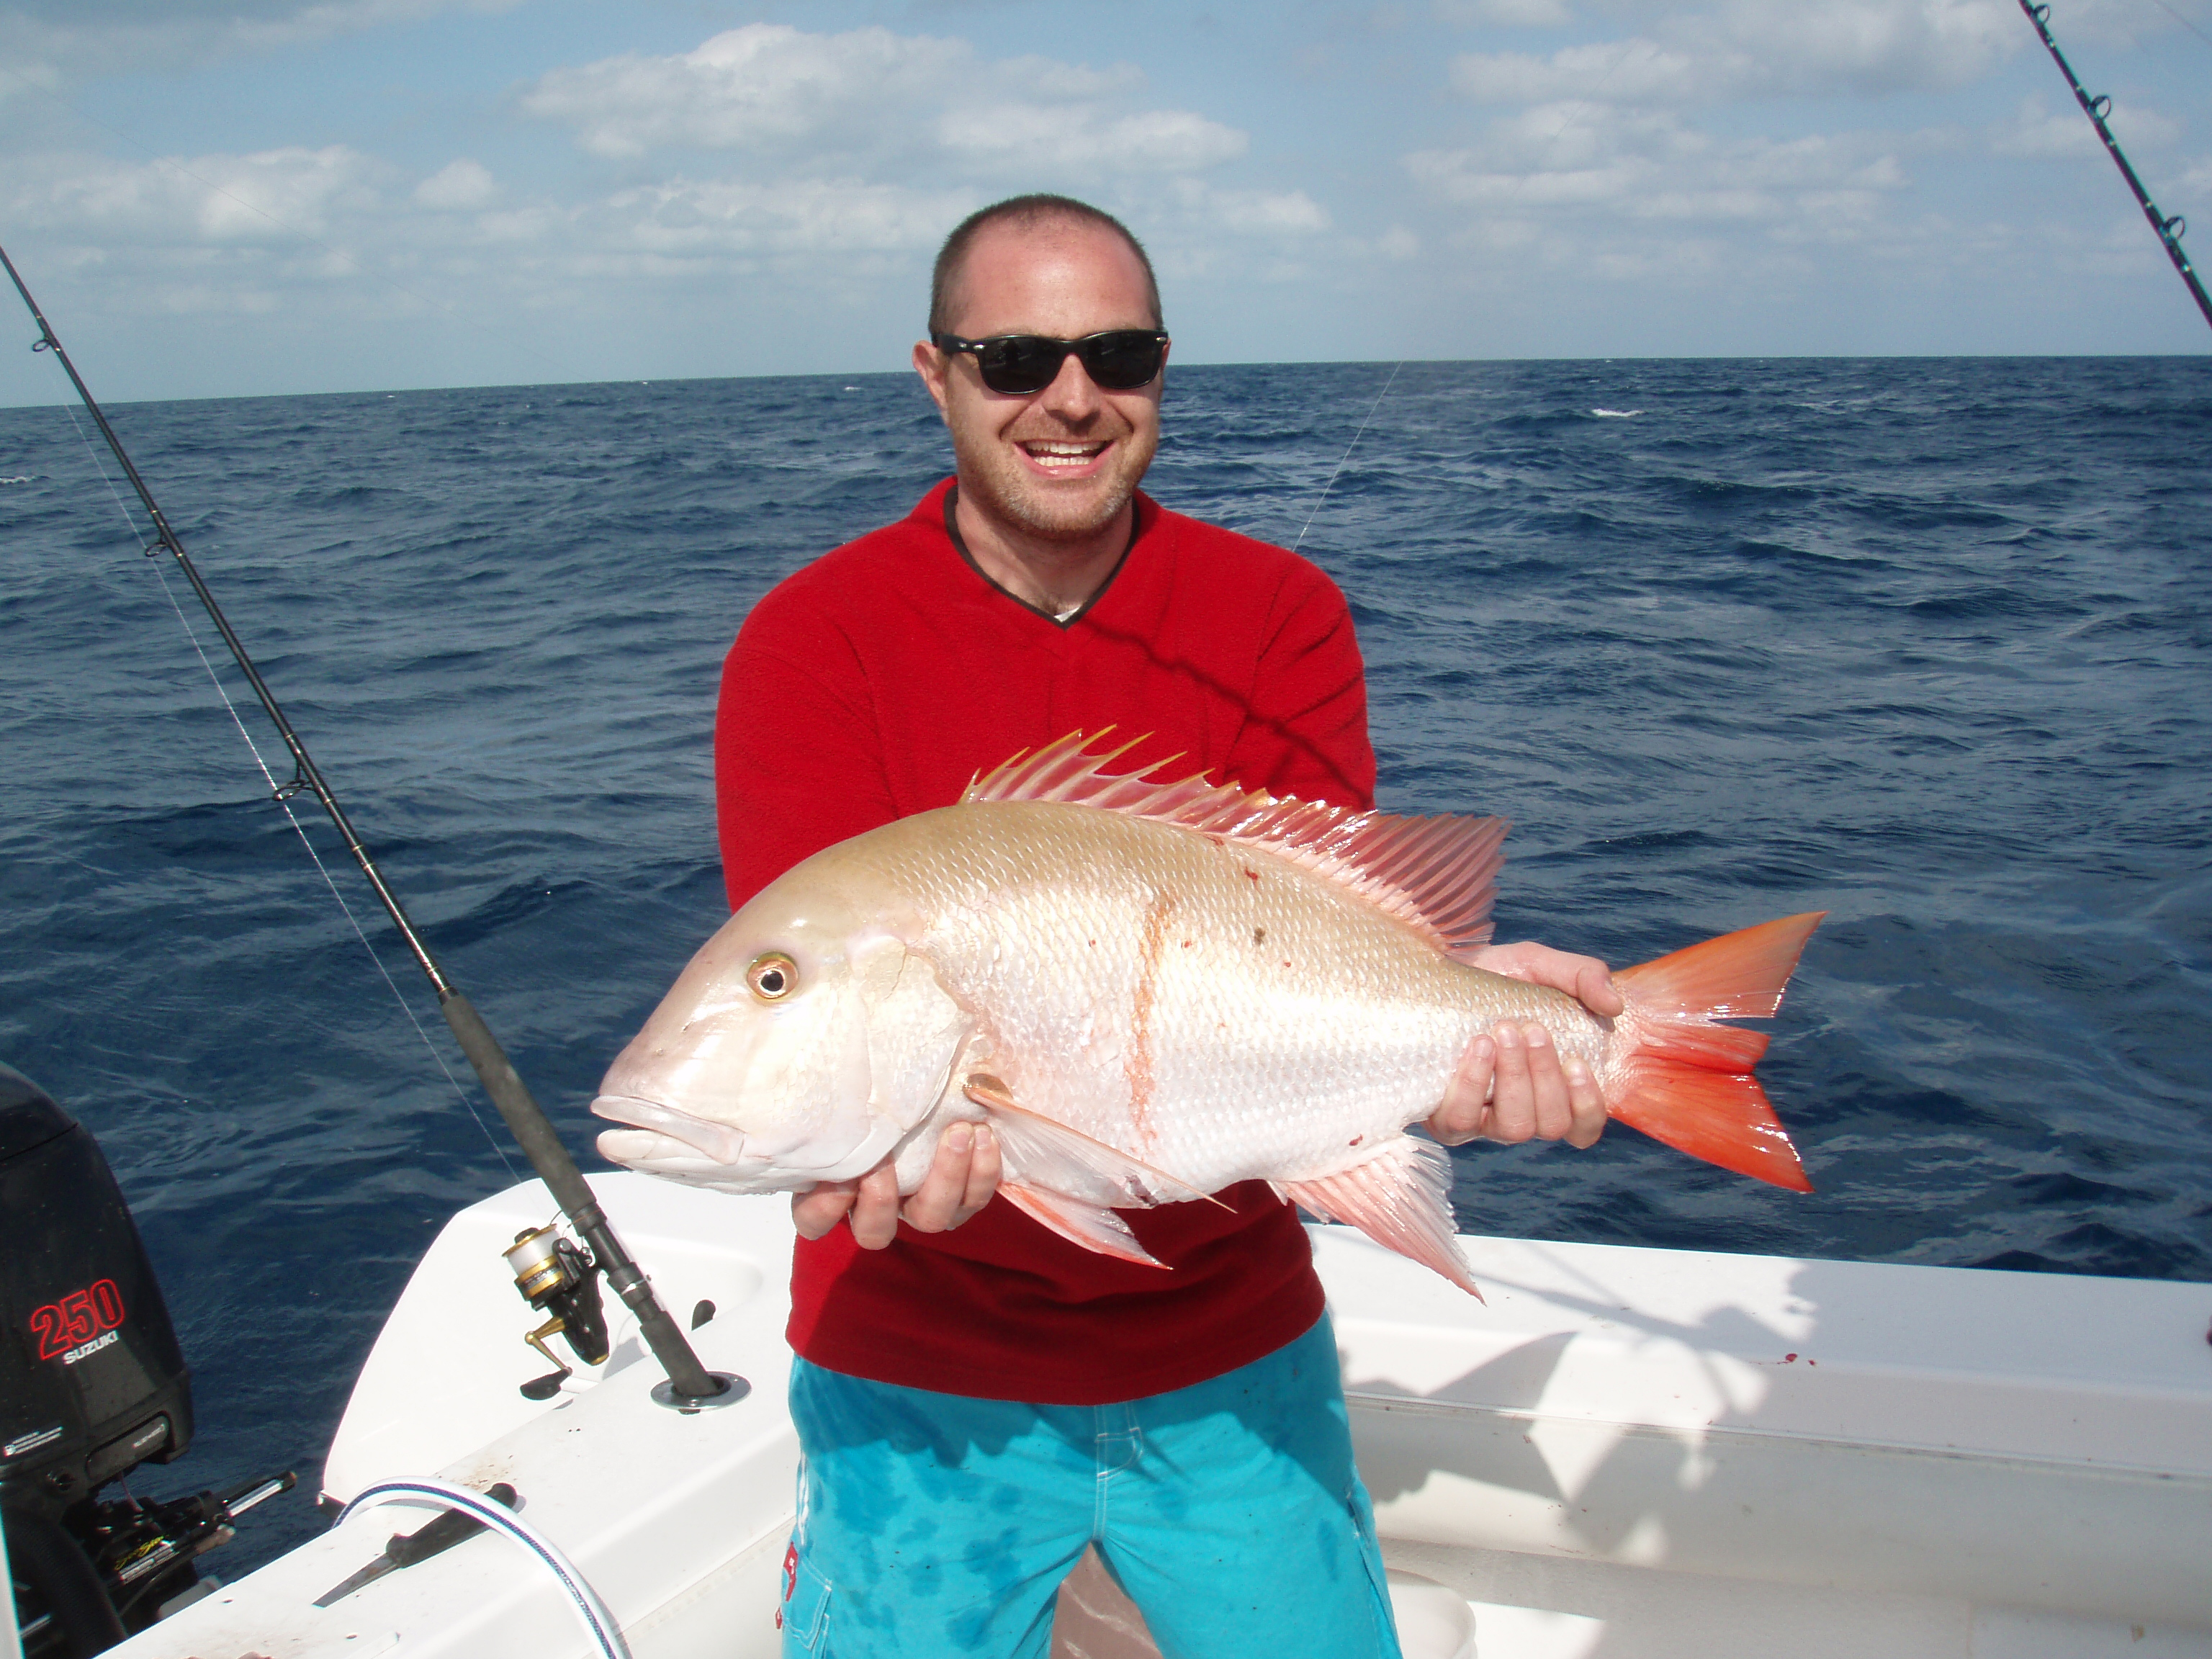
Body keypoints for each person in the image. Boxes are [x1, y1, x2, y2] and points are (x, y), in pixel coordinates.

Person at [714, 194, 1622, 1659]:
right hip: (914, 1370)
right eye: (1013, 358)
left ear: (1161, 368)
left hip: (1230, 1351)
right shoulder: (815, 642)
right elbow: (825, 1001)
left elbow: (1331, 945)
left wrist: (1478, 1013)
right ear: (934, 372)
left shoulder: (1281, 611)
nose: (1071, 399)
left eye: (1117, 354)